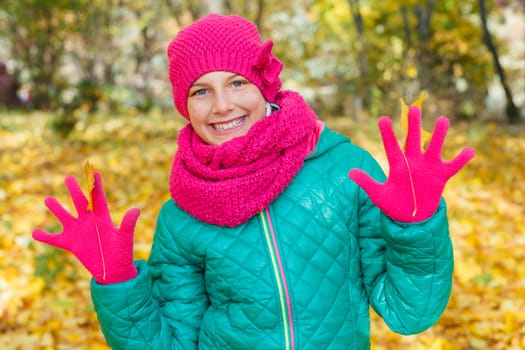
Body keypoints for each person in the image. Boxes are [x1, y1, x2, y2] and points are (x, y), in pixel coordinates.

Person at [33, 14, 475, 349]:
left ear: (264, 85)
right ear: (184, 107)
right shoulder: (182, 215)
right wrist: (118, 287)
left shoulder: (344, 170)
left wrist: (416, 228)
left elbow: (408, 312)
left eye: (237, 82)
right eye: (200, 91)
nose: (222, 105)